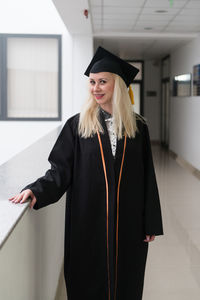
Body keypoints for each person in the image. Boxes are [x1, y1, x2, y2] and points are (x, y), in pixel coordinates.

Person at [9, 46, 163, 300]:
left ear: (119, 85)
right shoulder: (78, 125)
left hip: (129, 222)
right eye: (92, 82)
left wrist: (150, 222)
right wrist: (36, 190)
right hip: (88, 221)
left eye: (103, 81)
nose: (96, 88)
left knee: (127, 279)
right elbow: (61, 170)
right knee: (88, 280)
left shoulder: (138, 127)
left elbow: (148, 177)